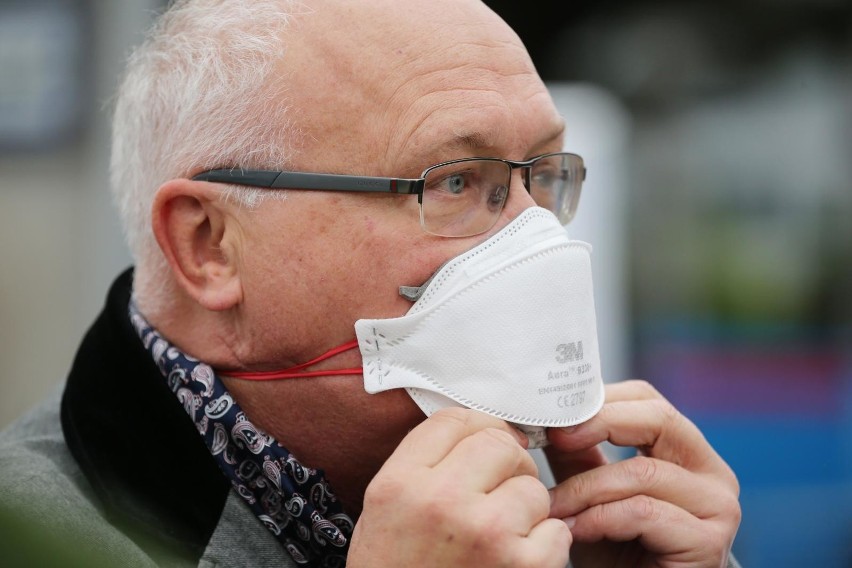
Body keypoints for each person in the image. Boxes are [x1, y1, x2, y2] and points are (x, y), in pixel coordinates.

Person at [0, 0, 742, 566]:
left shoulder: (560, 515)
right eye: (454, 180)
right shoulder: (30, 531)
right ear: (210, 245)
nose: (534, 236)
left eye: (543, 175)